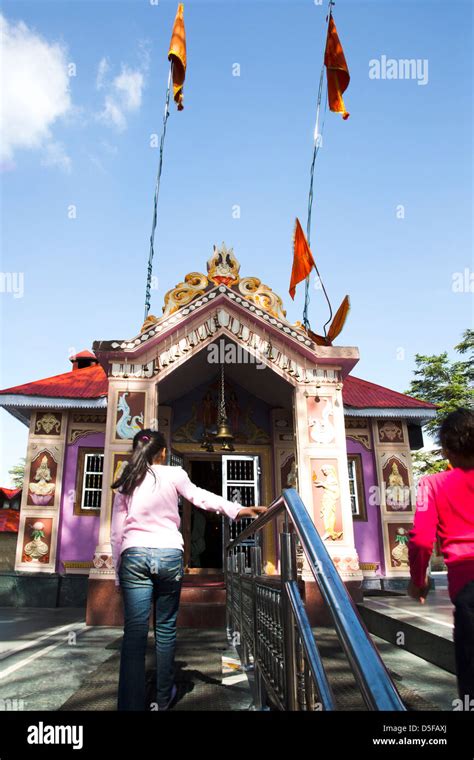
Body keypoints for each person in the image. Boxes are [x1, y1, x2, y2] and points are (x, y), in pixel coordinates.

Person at [110, 428, 267, 711]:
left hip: (133, 555)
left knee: (134, 633)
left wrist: (118, 572)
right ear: (162, 453)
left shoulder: (126, 479)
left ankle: (129, 705)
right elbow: (200, 498)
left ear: (137, 451)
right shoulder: (175, 474)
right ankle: (162, 695)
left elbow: (116, 531)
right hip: (169, 554)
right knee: (166, 629)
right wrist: (239, 510)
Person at [408, 408, 474, 703]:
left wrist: (418, 580)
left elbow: (421, 540)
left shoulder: (432, 485)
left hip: (468, 590)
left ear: (446, 449)